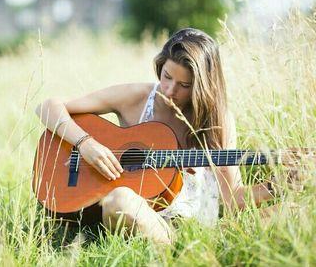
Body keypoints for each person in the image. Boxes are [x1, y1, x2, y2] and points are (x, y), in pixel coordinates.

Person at [35, 28, 300, 245]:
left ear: (203, 87)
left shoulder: (218, 119)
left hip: (194, 223)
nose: (171, 90)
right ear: (160, 67)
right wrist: (86, 144)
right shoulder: (136, 98)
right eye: (166, 76)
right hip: (138, 212)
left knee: (297, 213)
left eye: (184, 85)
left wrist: (276, 186)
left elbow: (231, 199)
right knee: (119, 199)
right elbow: (48, 106)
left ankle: (180, 246)